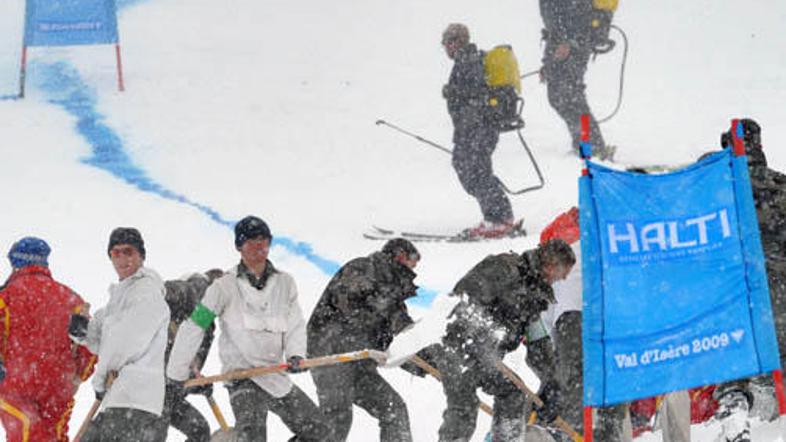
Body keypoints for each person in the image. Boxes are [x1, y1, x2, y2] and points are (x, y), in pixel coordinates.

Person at [167, 215, 331, 441]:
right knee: (253, 435)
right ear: (239, 246)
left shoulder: (285, 283)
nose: (259, 245)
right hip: (242, 377)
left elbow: (295, 323)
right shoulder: (223, 287)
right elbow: (196, 325)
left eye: (264, 239)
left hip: (275, 375)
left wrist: (296, 354)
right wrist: (176, 373)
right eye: (252, 240)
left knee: (319, 432)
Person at [428, 239, 575, 442]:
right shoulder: (503, 268)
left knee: (512, 393)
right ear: (550, 265)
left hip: (485, 358)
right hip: (456, 347)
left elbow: (538, 343)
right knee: (464, 406)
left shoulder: (535, 295)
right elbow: (463, 297)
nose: (563, 279)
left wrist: (551, 382)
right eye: (562, 273)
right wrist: (478, 333)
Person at [711, 118, 786, 442]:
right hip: (780, 285)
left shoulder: (716, 188)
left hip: (734, 288)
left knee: (733, 365)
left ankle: (734, 421)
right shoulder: (781, 185)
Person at [308, 238, 421, 442]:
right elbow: (346, 305)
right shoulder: (362, 268)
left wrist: (422, 361)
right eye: (413, 264)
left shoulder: (392, 293)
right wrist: (381, 326)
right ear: (401, 256)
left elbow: (401, 335)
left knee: (393, 409)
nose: (414, 271)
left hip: (360, 363)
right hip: (332, 354)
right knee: (337, 418)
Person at [539, 208, 631, 442]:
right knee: (611, 381)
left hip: (572, 317)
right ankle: (608, 433)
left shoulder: (568, 246)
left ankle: (576, 434)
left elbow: (545, 312)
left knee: (574, 386)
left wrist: (555, 362)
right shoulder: (618, 238)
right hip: (609, 315)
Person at [75, 227, 171, 442]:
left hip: (135, 400)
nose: (122, 258)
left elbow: (123, 346)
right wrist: (81, 332)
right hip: (120, 398)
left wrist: (99, 382)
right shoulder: (119, 296)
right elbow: (101, 338)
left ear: (141, 255)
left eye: (128, 252)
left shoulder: (146, 292)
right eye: (115, 253)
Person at [0, 237, 95, 441]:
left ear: (16, 263)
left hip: (15, 386)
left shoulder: (5, 297)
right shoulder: (73, 300)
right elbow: (90, 345)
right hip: (57, 389)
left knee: (26, 433)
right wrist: (76, 376)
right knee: (54, 436)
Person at [441, 23, 518, 238]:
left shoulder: (469, 61)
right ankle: (499, 216)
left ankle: (499, 219)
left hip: (477, 128)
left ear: (456, 42)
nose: (445, 48)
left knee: (475, 170)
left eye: (447, 42)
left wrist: (453, 92)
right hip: (474, 128)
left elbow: (476, 93)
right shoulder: (471, 59)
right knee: (473, 169)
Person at [539, 0, 616, 160]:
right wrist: (546, 64)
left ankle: (592, 147)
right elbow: (553, 22)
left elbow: (578, 15)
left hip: (573, 46)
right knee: (558, 98)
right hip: (558, 43)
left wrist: (570, 41)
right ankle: (583, 143)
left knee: (571, 96)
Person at [161, 269, 224, 442]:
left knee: (199, 431)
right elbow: (166, 292)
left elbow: (185, 363)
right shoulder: (198, 290)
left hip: (169, 394)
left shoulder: (206, 322)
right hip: (152, 389)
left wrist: (196, 384)